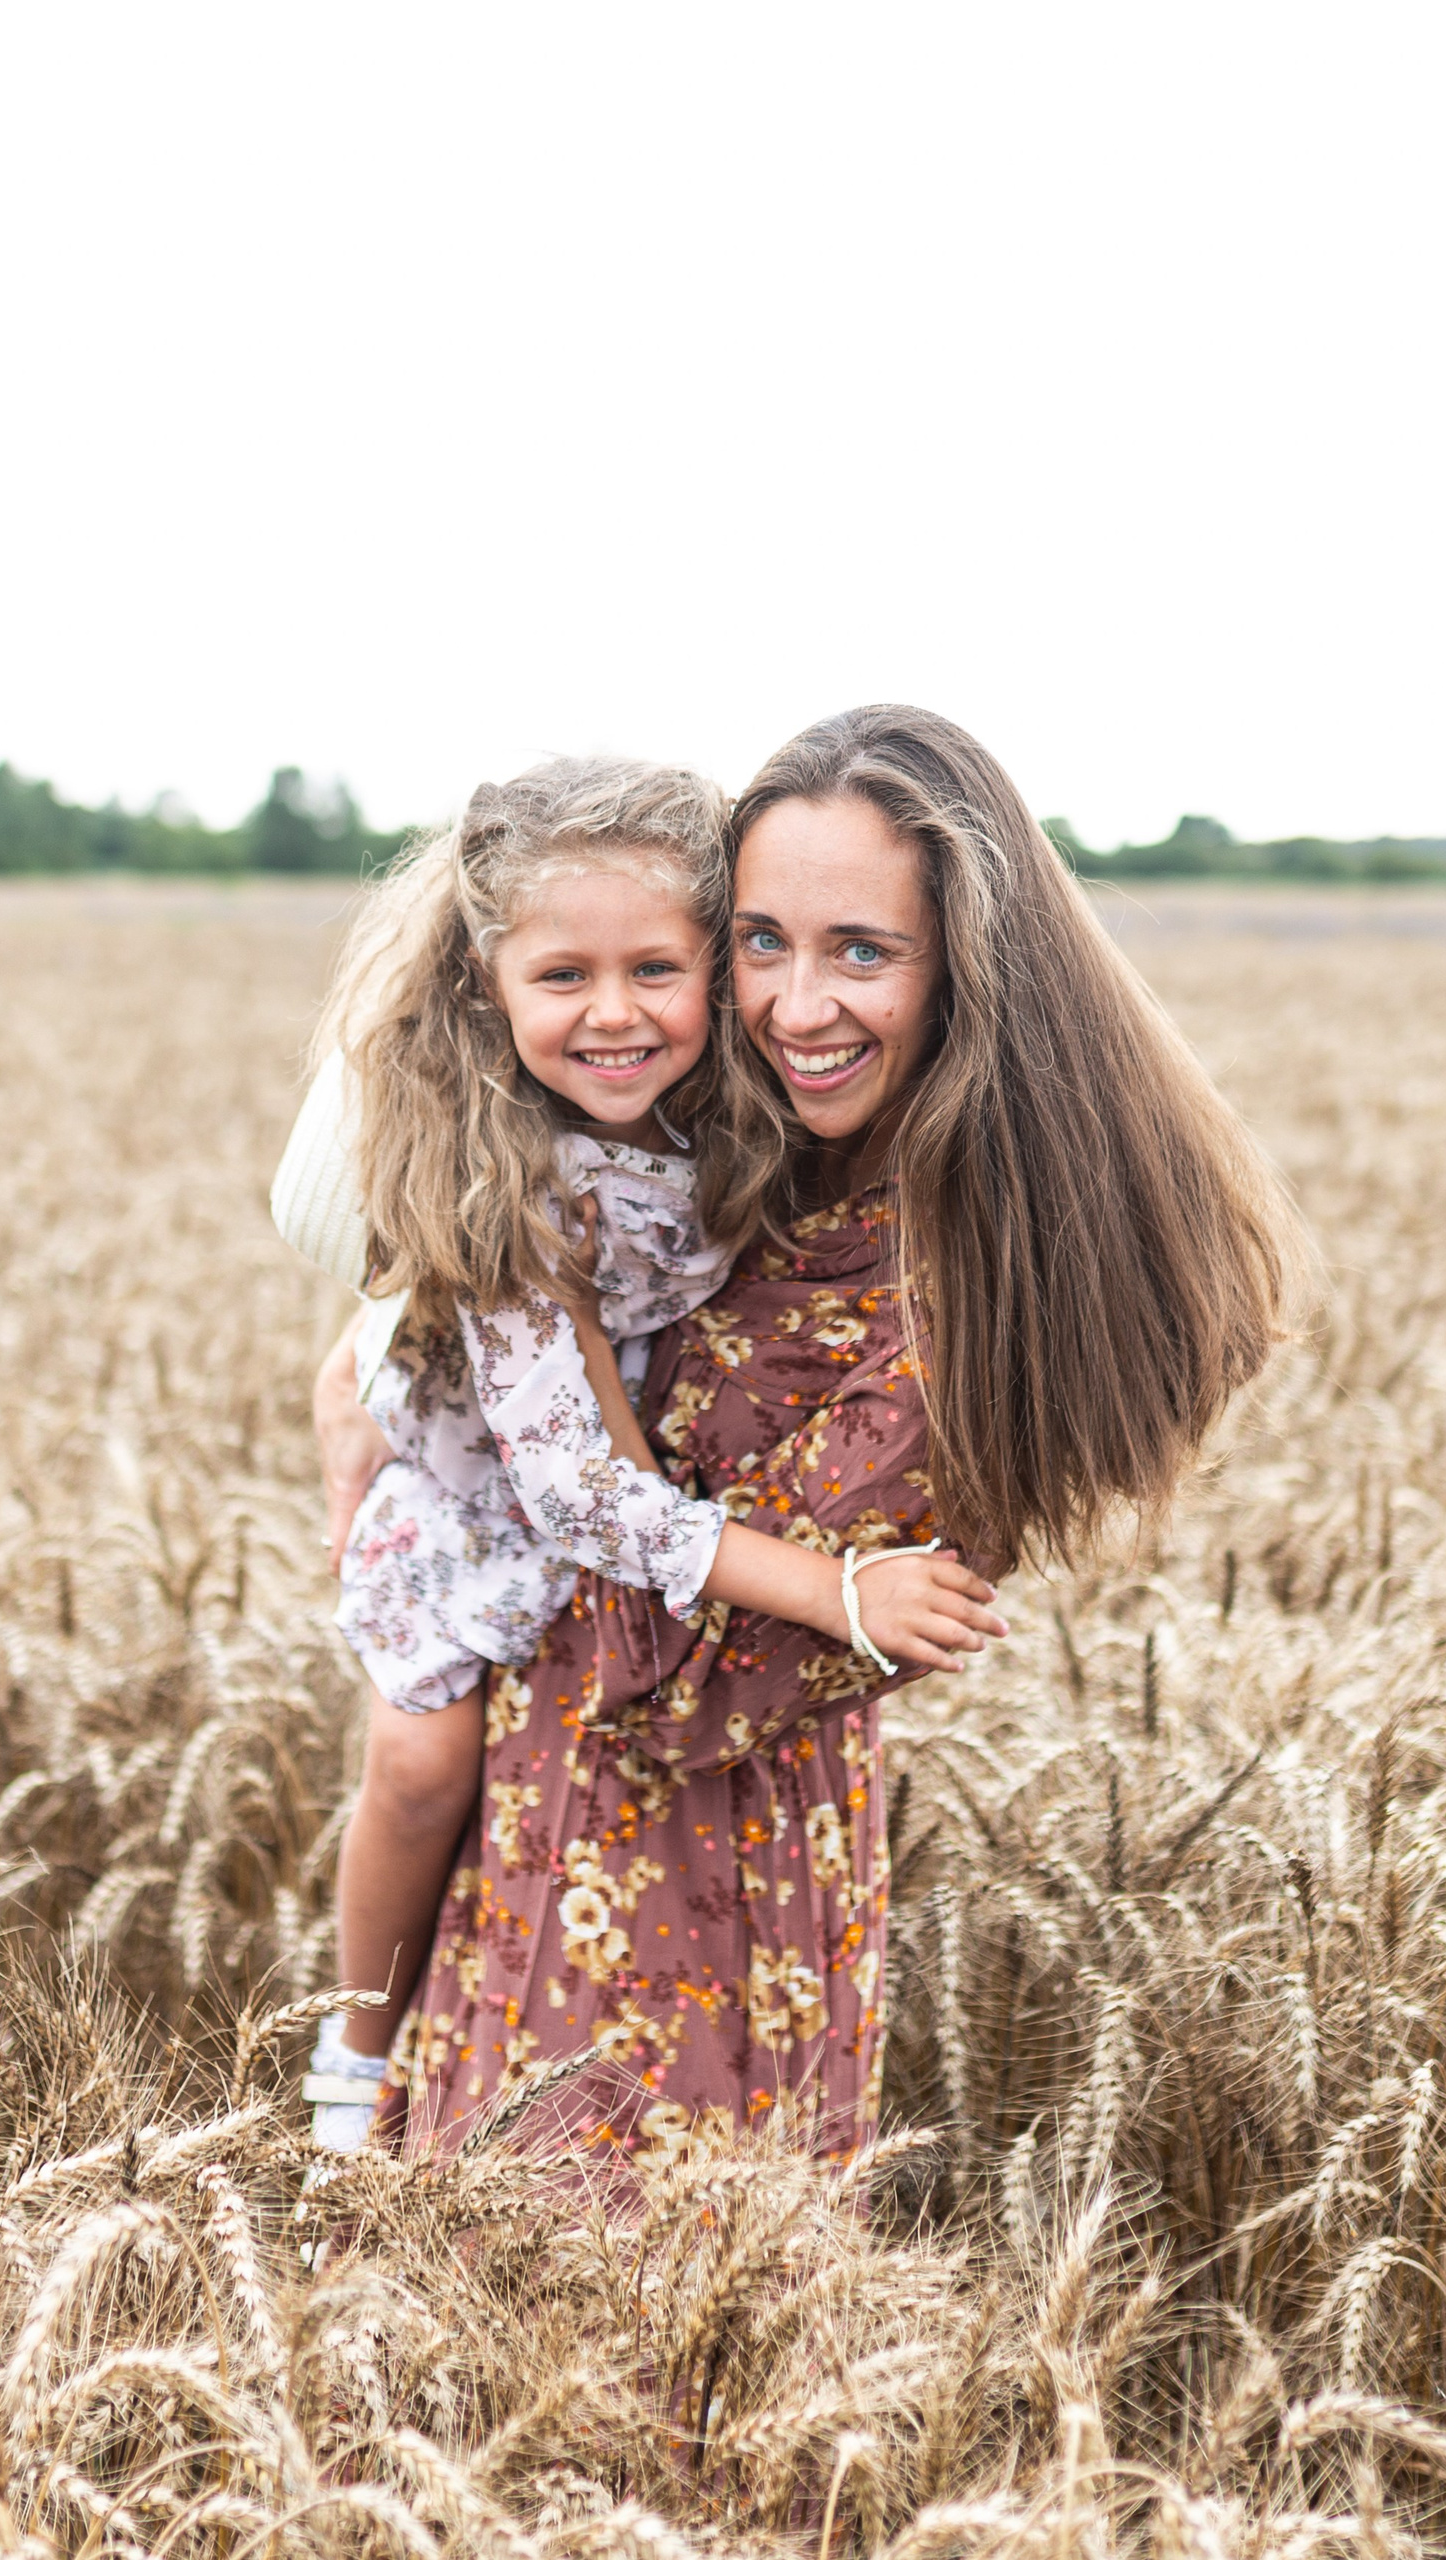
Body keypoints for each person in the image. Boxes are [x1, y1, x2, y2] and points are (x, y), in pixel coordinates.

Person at [313, 707, 1299, 2165]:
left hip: (653, 1870)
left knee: (629, 2280)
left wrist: (565, 1390)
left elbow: (652, 1665)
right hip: (598, 1832)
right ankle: (347, 2060)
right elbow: (491, 1266)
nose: (794, 1005)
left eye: (864, 951)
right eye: (763, 942)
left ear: (969, 966)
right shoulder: (757, 1144)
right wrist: (385, 1353)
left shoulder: (952, 1295)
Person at [275, 755, 1008, 2145]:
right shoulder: (512, 1190)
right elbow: (580, 1495)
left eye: (657, 970)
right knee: (422, 1770)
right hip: (480, 1514)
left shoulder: (736, 1109)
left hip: (610, 1519)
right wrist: (838, 1589)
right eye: (563, 977)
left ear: (712, 967)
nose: (615, 1014)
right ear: (486, 982)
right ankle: (354, 2060)